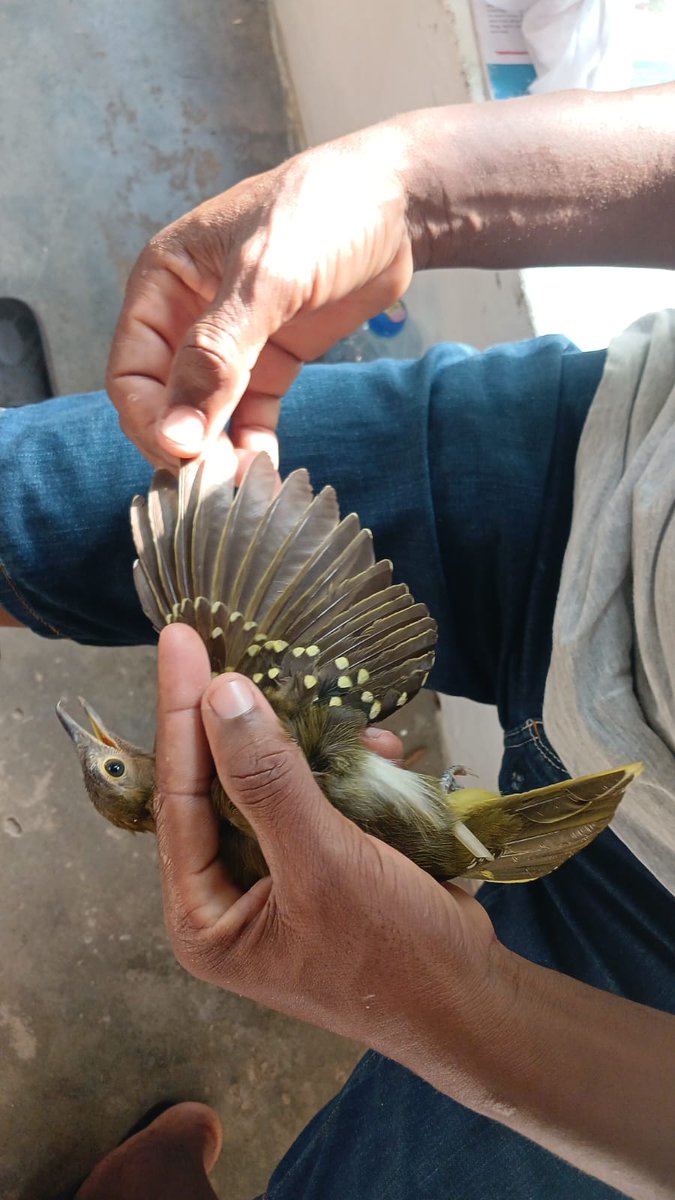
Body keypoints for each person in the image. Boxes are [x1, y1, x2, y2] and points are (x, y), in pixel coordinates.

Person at [1, 83, 674, 1200]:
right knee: (63, 496)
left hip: (652, 948)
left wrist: (460, 1005)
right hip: (605, 469)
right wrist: (409, 190)